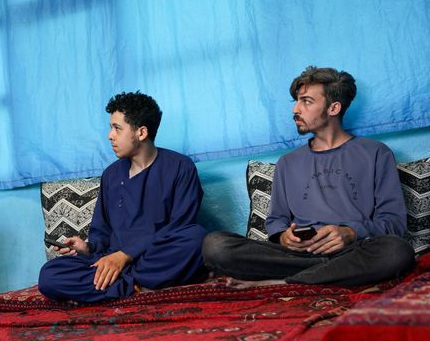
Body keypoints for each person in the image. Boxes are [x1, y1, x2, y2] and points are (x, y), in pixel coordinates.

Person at [202, 67, 415, 287]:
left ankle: (283, 282)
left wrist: (350, 232)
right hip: (297, 256)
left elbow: (394, 222)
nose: (296, 109)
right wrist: (284, 237)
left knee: (396, 251)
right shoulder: (287, 162)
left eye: (306, 101)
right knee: (215, 246)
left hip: (351, 251)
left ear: (333, 108)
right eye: (297, 101)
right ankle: (320, 274)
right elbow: (276, 220)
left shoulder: (376, 153)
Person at [38, 91, 207, 302]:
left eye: (117, 128)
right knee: (49, 274)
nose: (110, 136)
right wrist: (87, 248)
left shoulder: (180, 167)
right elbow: (102, 232)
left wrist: (125, 256)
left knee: (196, 238)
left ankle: (122, 285)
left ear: (141, 132)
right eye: (111, 128)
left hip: (154, 256)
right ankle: (139, 286)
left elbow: (181, 226)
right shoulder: (111, 175)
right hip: (113, 261)